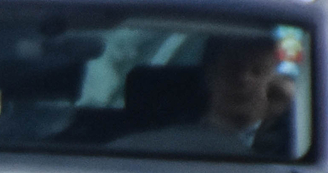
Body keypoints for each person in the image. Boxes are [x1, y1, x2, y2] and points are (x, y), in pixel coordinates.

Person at [120, 35, 288, 157]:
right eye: (232, 69)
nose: (243, 79)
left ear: (276, 84)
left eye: (258, 71)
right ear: (210, 76)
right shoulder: (160, 146)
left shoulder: (294, 145)